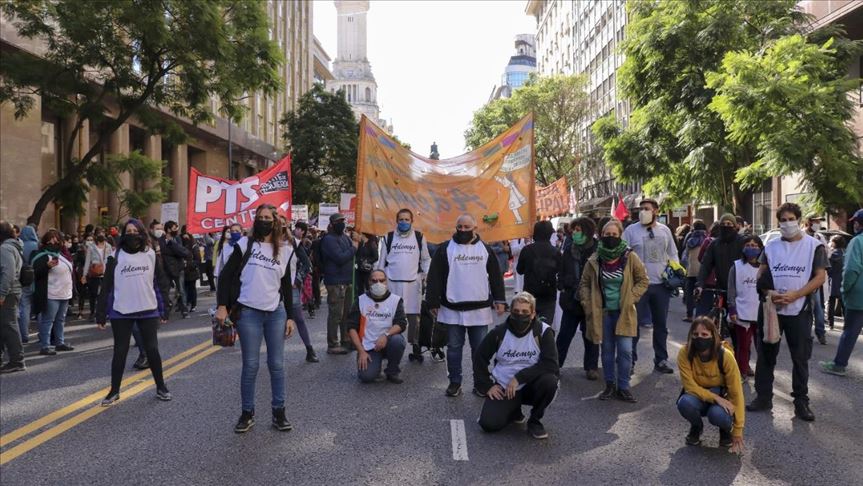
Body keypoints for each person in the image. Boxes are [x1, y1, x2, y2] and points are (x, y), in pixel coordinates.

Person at [215, 204, 297, 433]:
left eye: (267, 217)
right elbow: (226, 276)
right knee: (250, 365)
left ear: (275, 221)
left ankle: (279, 412)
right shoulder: (244, 244)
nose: (263, 221)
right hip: (249, 312)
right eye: (259, 217)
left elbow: (286, 287)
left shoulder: (285, 249)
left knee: (277, 365)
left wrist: (290, 316)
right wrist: (222, 305)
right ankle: (247, 412)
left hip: (276, 313)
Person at [747, 203, 827, 422]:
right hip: (772, 308)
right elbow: (761, 273)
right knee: (766, 355)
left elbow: (820, 277)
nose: (787, 223)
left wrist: (796, 295)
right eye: (783, 220)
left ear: (800, 220)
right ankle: (763, 397)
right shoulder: (771, 246)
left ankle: (801, 401)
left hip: (799, 309)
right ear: (778, 222)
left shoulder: (813, 246)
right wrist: (769, 292)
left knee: (800, 358)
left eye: (791, 219)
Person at [426, 214, 506, 397]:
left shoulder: (485, 249)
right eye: (459, 227)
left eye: (466, 227)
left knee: (479, 349)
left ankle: (480, 384)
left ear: (475, 228)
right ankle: (455, 382)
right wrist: (432, 301)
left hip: (479, 310)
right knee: (454, 348)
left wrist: (500, 300)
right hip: (451, 309)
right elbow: (434, 276)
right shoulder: (445, 249)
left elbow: (495, 276)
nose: (462, 230)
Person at [96, 219, 172, 405]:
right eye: (128, 231)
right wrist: (101, 313)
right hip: (121, 310)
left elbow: (160, 282)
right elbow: (106, 286)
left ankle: (161, 387)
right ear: (123, 234)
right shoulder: (115, 255)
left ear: (141, 232)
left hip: (148, 309)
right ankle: (114, 391)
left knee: (152, 350)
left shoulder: (150, 254)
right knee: (120, 351)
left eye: (135, 230)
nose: (131, 234)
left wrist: (164, 309)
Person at [473, 292, 560, 440]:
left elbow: (550, 364)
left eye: (525, 312)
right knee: (488, 425)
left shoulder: (543, 332)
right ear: (511, 312)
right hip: (505, 388)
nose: (520, 315)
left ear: (533, 314)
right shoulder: (499, 332)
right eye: (516, 311)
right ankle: (513, 410)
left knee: (550, 381)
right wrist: (487, 386)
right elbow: (479, 358)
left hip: (533, 384)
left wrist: (519, 378)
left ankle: (535, 421)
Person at [579, 219, 649, 402]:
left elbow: (643, 280)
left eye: (614, 235)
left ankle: (624, 387)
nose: (610, 238)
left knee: (625, 351)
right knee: (607, 351)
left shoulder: (630, 257)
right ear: (601, 236)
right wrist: (588, 303)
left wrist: (631, 298)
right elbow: (584, 284)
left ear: (620, 236)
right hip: (602, 313)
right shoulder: (594, 259)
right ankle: (610, 385)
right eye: (607, 235)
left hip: (624, 312)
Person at [623, 197, 679, 374]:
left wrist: (675, 273)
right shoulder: (631, 231)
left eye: (647, 208)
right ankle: (630, 360)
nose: (643, 211)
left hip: (661, 285)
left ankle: (661, 360)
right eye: (641, 208)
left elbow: (673, 253)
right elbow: (622, 253)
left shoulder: (665, 231)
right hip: (638, 286)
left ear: (656, 210)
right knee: (633, 325)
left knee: (661, 325)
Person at [677, 317, 745, 454]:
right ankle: (696, 427)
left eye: (704, 334)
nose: (699, 338)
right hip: (698, 396)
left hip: (721, 397)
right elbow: (689, 386)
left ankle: (726, 430)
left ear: (713, 336)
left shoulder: (725, 356)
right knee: (684, 403)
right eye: (695, 334)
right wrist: (714, 397)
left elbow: (736, 392)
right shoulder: (685, 353)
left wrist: (738, 429)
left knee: (717, 415)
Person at [377, 208, 431, 361]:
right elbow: (382, 261)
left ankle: (416, 348)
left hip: (413, 284)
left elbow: (426, 259)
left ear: (412, 221)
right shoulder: (388, 237)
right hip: (392, 284)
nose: (404, 222)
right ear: (397, 221)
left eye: (407, 219)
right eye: (401, 219)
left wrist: (427, 276)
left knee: (414, 318)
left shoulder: (419, 237)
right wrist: (379, 281)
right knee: (391, 316)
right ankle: (390, 346)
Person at [820, 209, 863, 376]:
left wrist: (845, 289)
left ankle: (839, 364)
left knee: (850, 331)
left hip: (858, 295)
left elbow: (852, 269)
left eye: (855, 222)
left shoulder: (857, 241)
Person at [347, 269, 408, 383]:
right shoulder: (361, 300)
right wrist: (361, 351)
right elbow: (351, 327)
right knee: (366, 377)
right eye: (374, 281)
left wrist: (386, 335)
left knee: (397, 341)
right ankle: (374, 364)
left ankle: (392, 371)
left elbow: (401, 323)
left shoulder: (395, 300)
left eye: (381, 280)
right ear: (369, 282)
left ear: (386, 282)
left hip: (388, 341)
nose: (378, 284)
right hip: (368, 345)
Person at [556, 217, 598, 377]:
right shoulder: (568, 249)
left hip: (591, 300)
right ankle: (555, 365)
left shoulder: (598, 249)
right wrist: (563, 284)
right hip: (571, 301)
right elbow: (562, 271)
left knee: (591, 336)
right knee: (565, 335)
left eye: (578, 230)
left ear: (587, 231)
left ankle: (591, 367)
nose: (574, 233)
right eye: (573, 230)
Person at [30, 230, 75, 355]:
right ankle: (45, 345)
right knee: (48, 320)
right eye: (50, 240)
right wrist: (47, 266)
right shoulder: (41, 255)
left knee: (60, 319)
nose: (53, 242)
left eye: (56, 240)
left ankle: (59, 342)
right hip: (51, 293)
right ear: (45, 241)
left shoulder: (62, 255)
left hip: (64, 293)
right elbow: (35, 273)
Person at [320, 213, 358, 354]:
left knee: (346, 314)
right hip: (335, 281)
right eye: (338, 221)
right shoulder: (329, 239)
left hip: (346, 280)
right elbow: (340, 258)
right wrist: (354, 247)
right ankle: (333, 343)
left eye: (343, 220)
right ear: (332, 223)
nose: (342, 223)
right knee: (336, 314)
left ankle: (346, 340)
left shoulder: (345, 238)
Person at [727, 235, 764, 378]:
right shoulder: (736, 267)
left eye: (755, 245)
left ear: (761, 248)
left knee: (762, 348)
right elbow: (731, 289)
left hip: (761, 313)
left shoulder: (765, 267)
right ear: (742, 248)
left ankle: (763, 374)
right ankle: (741, 372)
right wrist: (732, 309)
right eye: (748, 245)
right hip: (742, 313)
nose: (751, 248)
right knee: (743, 346)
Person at [695, 213, 742, 320]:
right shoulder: (714, 244)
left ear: (735, 226)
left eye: (729, 224)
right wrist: (700, 284)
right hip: (720, 287)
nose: (726, 226)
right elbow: (705, 265)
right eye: (723, 224)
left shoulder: (741, 242)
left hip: (739, 289)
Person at [516, 221, 561, 324]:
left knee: (527, 326)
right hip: (549, 294)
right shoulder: (556, 252)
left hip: (529, 294)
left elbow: (520, 270)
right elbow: (560, 271)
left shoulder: (527, 250)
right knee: (545, 327)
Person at [0, 221, 26, 373]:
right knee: (5, 325)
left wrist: (2, 294)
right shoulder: (13, 246)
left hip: (7, 293)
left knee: (9, 325)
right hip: (10, 291)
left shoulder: (5, 248)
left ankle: (17, 360)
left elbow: (8, 273)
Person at [804, 214, 830, 345]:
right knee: (806, 308)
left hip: (817, 278)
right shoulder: (801, 236)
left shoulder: (820, 237)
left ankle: (821, 333)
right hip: (803, 278)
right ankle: (806, 334)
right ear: (808, 222)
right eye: (815, 221)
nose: (817, 224)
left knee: (818, 308)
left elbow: (827, 254)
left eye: (818, 221)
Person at [158, 221, 190, 318]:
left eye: (177, 228)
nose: (176, 230)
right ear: (168, 229)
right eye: (174, 228)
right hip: (166, 269)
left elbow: (182, 252)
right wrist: (173, 250)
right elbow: (163, 251)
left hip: (178, 268)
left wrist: (171, 243)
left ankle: (184, 310)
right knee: (165, 291)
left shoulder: (177, 239)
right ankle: (167, 309)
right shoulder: (161, 240)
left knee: (181, 290)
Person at [681, 220, 708, 322]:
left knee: (689, 294)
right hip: (703, 271)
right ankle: (701, 316)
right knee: (702, 294)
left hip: (691, 270)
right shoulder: (707, 240)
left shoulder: (690, 240)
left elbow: (685, 256)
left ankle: (689, 315)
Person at [82, 228, 111, 321]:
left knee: (104, 294)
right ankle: (92, 312)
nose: (101, 235)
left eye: (102, 233)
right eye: (99, 233)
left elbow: (111, 260)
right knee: (93, 294)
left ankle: (104, 312)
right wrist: (84, 274)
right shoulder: (91, 247)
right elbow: (87, 261)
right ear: (96, 235)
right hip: (94, 274)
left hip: (105, 274)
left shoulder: (108, 246)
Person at [17, 225, 38, 343]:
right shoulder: (37, 245)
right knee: (40, 308)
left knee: (24, 307)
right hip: (38, 279)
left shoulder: (20, 245)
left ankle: (24, 335)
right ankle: (43, 336)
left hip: (24, 279)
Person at [826, 235, 846, 330]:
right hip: (843, 280)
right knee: (843, 304)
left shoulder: (832, 254)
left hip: (834, 280)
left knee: (831, 302)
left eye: (831, 241)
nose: (830, 242)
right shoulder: (845, 253)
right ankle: (847, 323)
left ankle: (831, 324)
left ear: (835, 243)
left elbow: (828, 268)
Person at [180, 230, 201, 313]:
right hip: (183, 271)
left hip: (192, 271)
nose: (185, 236)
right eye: (184, 234)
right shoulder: (180, 245)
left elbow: (197, 259)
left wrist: (190, 265)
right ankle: (186, 303)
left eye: (186, 234)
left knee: (192, 288)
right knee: (184, 288)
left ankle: (193, 304)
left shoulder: (194, 246)